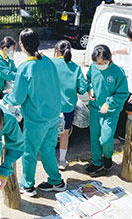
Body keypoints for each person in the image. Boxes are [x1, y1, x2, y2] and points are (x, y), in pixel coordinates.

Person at [3, 28, 66, 197]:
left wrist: (6, 99)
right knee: (47, 150)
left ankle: (28, 185)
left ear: (22, 45)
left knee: (29, 152)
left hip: (36, 118)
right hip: (53, 115)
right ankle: (56, 180)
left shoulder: (25, 67)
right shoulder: (48, 61)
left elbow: (17, 97)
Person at [85, 44, 128, 176]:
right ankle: (97, 162)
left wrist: (109, 104)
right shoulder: (93, 67)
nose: (100, 65)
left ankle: (108, 156)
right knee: (94, 138)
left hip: (110, 112)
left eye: (103, 62)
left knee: (106, 139)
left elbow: (123, 93)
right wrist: (90, 90)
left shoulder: (118, 72)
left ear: (109, 59)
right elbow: (88, 81)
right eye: (97, 63)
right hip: (94, 109)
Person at [51, 40, 87, 170]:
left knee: (49, 135)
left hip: (49, 108)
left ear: (56, 51)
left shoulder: (50, 64)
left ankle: (49, 162)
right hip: (67, 108)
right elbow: (82, 88)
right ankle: (62, 161)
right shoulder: (75, 67)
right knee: (64, 134)